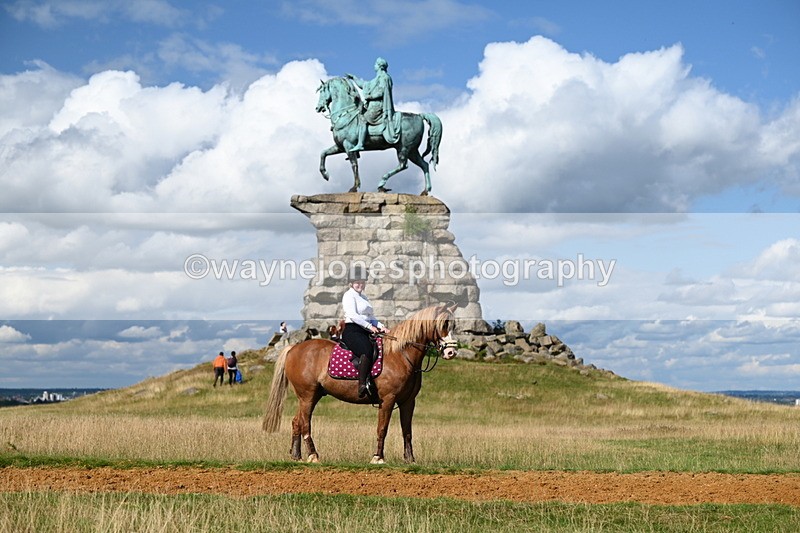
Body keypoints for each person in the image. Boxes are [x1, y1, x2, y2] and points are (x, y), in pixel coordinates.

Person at [341, 267, 388, 398]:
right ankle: (362, 384)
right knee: (366, 350)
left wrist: (382, 327)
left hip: (365, 330)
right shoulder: (348, 295)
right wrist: (369, 326)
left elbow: (371, 317)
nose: (360, 285)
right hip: (352, 330)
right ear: (351, 283)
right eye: (357, 282)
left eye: (362, 282)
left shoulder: (364, 297)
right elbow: (352, 315)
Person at [346, 57, 399, 152]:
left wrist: (370, 97)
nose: (374, 66)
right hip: (372, 105)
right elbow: (364, 85)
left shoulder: (384, 78)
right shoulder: (376, 79)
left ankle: (360, 144)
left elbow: (382, 92)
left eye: (375, 64)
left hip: (378, 106)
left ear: (379, 66)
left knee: (362, 119)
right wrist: (354, 78)